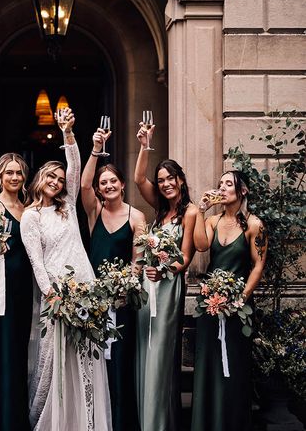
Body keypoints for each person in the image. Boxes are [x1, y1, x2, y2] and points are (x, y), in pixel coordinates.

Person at [20, 108, 112, 431]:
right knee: (54, 361)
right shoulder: (30, 217)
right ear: (40, 178)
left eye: (60, 180)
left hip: (85, 289)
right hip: (56, 296)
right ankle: (53, 421)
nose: (57, 182)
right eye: (51, 177)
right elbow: (37, 263)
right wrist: (53, 296)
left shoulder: (68, 205)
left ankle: (85, 420)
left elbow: (74, 167)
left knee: (86, 358)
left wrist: (68, 133)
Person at [191, 170, 267, 431]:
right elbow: (201, 246)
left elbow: (258, 266)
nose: (222, 189)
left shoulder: (255, 225)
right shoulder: (212, 221)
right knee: (208, 368)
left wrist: (240, 299)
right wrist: (201, 211)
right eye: (220, 184)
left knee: (234, 368)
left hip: (238, 309)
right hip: (209, 306)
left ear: (242, 191)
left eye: (228, 184)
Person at [81, 127, 145, 431]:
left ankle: (120, 423)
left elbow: (138, 260)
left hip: (121, 304)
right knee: (95, 366)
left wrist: (124, 289)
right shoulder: (94, 211)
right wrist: (95, 150)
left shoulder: (136, 217)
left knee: (119, 367)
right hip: (93, 303)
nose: (107, 186)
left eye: (112, 182)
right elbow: (83, 185)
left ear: (121, 184)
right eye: (103, 183)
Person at [134, 123, 197, 431]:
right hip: (149, 287)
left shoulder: (191, 212)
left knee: (160, 354)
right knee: (145, 350)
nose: (164, 184)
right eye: (160, 180)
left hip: (168, 287)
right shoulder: (159, 211)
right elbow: (137, 179)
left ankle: (158, 423)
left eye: (170, 178)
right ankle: (146, 417)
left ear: (180, 180)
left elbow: (185, 258)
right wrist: (146, 144)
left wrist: (163, 268)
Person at [0, 153, 33, 431]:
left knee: (18, 349)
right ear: (0, 175)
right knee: (1, 347)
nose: (15, 178)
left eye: (19, 173)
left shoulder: (27, 208)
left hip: (23, 286)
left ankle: (16, 414)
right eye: (9, 173)